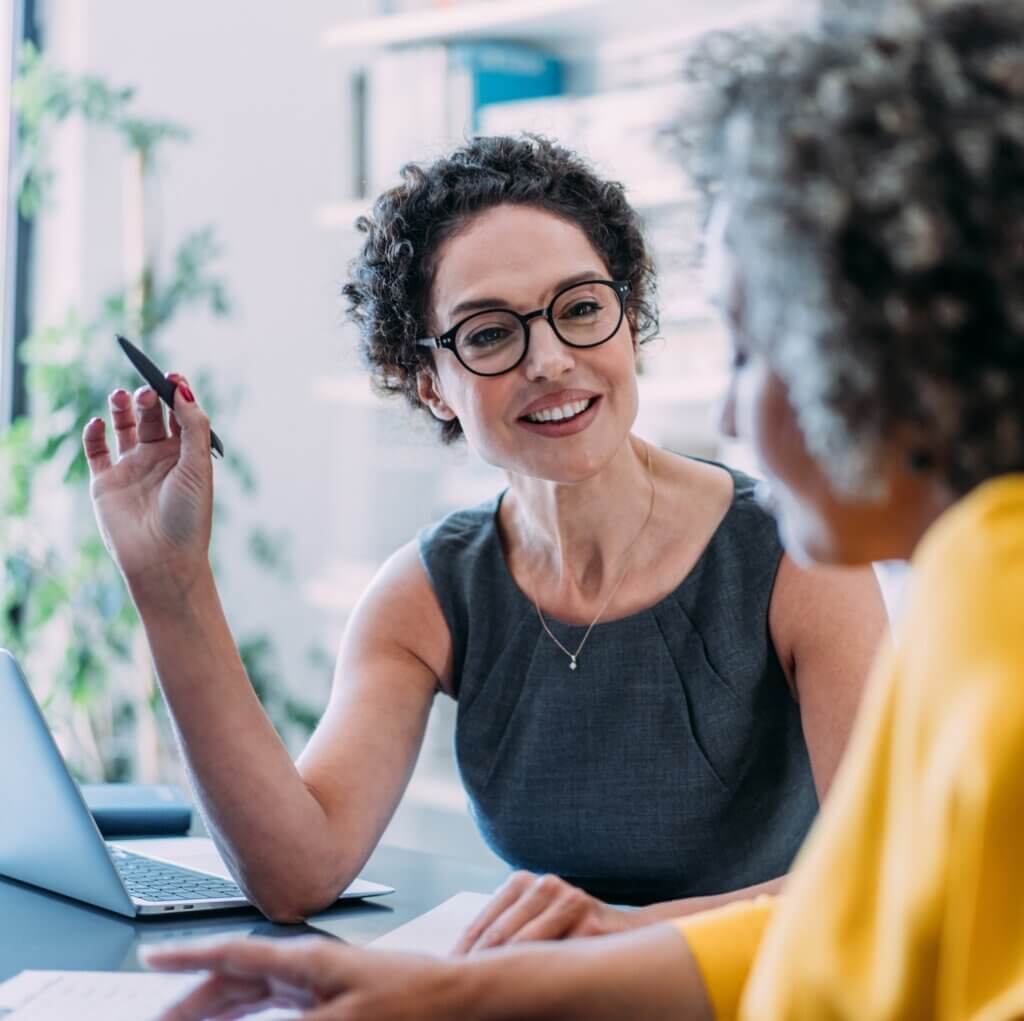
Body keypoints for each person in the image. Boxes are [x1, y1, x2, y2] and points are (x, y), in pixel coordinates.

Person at [140, 1, 1024, 1018]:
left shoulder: (979, 627)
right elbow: (863, 925)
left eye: (746, 344)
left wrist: (551, 968)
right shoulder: (973, 588)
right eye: (488, 334)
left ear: (878, 340)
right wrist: (474, 994)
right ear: (425, 379)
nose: (727, 406)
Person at [82, 136, 883, 935]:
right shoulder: (427, 593)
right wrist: (170, 580)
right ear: (430, 384)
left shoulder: (800, 554)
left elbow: (887, 876)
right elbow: (296, 870)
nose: (550, 360)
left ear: (630, 322)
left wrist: (614, 938)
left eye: (580, 309)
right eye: (490, 333)